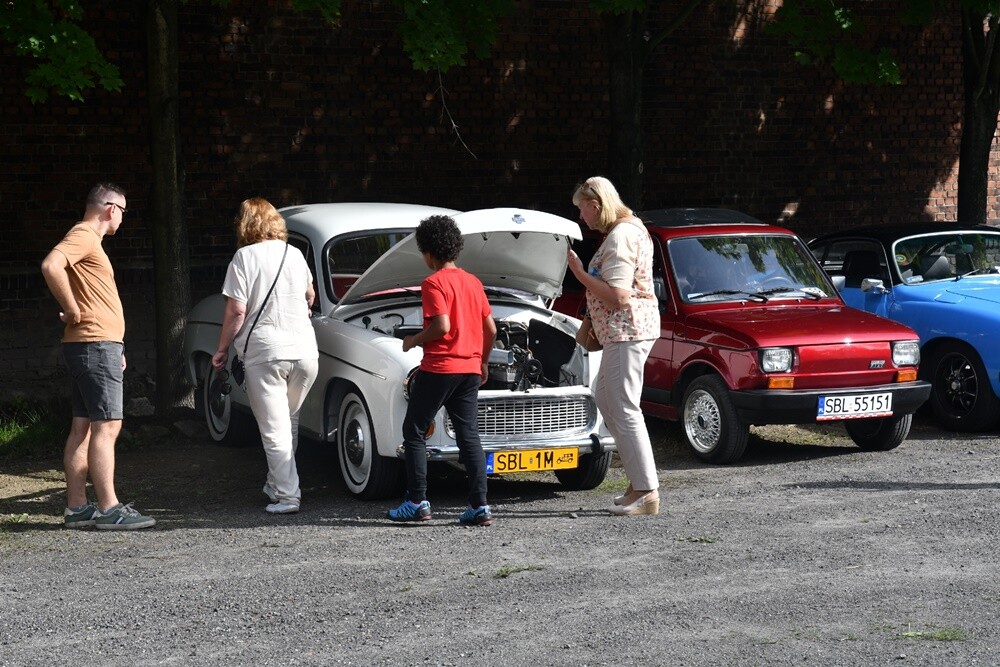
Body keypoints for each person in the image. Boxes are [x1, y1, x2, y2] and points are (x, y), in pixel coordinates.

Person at [40, 183, 156, 530]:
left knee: (84, 427)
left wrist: (116, 345)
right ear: (110, 209)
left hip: (93, 346)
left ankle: (78, 508)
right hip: (94, 345)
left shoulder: (88, 241)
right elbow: (51, 265)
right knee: (108, 426)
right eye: (123, 211)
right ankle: (109, 508)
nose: (122, 218)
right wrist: (72, 308)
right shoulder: (85, 236)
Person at [387, 215, 498, 526]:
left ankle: (416, 501)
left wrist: (413, 340)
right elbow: (491, 329)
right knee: (469, 436)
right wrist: (483, 361)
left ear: (428, 252)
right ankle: (479, 506)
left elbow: (442, 325)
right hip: (470, 370)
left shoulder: (433, 282)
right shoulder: (473, 282)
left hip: (440, 368)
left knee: (414, 430)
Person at [211, 198, 319, 514]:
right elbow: (310, 296)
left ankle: (287, 496)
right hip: (305, 352)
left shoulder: (243, 258)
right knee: (287, 422)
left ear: (245, 225)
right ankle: (275, 485)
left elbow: (236, 310)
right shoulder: (294, 254)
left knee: (274, 429)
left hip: (266, 353)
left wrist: (221, 349)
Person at [567, 176, 661, 516]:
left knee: (622, 406)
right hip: (624, 332)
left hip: (627, 331)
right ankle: (639, 484)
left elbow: (619, 296)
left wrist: (579, 273)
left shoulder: (621, 236)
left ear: (596, 205)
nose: (582, 218)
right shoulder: (630, 228)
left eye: (582, 210)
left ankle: (647, 491)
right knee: (607, 398)